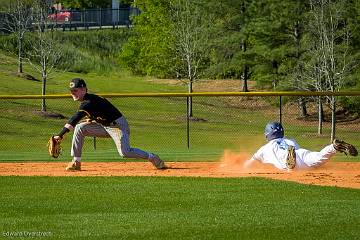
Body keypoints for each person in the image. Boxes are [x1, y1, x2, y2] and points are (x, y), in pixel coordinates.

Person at [54, 78, 166, 171]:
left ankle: (152, 157)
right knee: (80, 128)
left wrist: (61, 135)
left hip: (118, 126)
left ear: (83, 89)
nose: (72, 93)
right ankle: (76, 162)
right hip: (104, 126)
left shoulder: (88, 102)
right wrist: (92, 119)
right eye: (71, 91)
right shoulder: (88, 101)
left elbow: (75, 118)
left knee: (125, 153)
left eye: (75, 90)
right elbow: (98, 113)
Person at [244, 122, 358, 171]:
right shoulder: (290, 140)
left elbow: (248, 165)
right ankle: (333, 148)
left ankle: (290, 164)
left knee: (287, 165)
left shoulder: (264, 149)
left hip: (289, 160)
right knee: (318, 157)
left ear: (268, 135)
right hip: (301, 153)